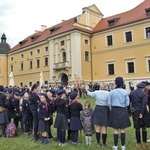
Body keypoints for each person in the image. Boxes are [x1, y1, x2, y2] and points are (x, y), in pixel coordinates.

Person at [108, 77, 131, 150]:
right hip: (122, 110)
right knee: (122, 129)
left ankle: (115, 146)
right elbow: (127, 104)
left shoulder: (111, 92)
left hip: (114, 110)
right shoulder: (125, 92)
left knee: (115, 129)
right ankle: (123, 146)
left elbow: (109, 103)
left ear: (115, 83)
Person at [129, 82, 148, 150]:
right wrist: (142, 113)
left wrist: (129, 111)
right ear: (142, 88)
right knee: (144, 127)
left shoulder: (132, 93)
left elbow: (129, 103)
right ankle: (144, 143)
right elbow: (143, 104)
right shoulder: (143, 93)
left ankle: (138, 143)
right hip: (143, 112)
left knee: (137, 128)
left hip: (135, 112)